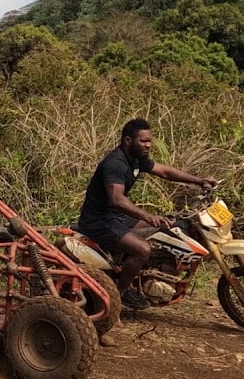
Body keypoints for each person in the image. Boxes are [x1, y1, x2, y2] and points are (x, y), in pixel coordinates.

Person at [77, 117, 216, 310]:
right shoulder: (115, 164)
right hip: (99, 220)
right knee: (143, 249)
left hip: (117, 217)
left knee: (171, 225)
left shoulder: (135, 159)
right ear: (127, 140)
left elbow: (165, 172)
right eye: (143, 141)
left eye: (149, 140)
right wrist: (148, 216)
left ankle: (145, 273)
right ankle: (122, 293)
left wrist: (199, 180)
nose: (148, 145)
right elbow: (117, 199)